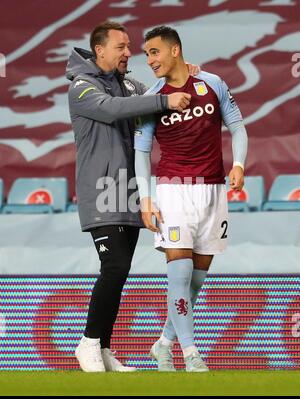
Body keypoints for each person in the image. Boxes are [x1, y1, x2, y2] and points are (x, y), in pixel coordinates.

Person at [66, 21, 194, 372]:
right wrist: (165, 98)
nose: (128, 53)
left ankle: (104, 348)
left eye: (129, 46)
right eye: (121, 47)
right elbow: (111, 108)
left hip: (132, 193)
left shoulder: (131, 85)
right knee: (115, 266)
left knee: (120, 272)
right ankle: (89, 343)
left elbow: (153, 92)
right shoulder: (81, 87)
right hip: (102, 192)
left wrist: (185, 75)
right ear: (100, 50)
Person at [134, 26, 248, 372]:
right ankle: (191, 354)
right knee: (179, 274)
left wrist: (239, 164)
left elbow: (237, 127)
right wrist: (146, 198)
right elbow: (141, 151)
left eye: (154, 52)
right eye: (146, 54)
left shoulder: (212, 83)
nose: (150, 60)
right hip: (172, 189)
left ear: (174, 50)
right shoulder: (153, 97)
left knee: (195, 281)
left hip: (213, 190)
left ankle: (163, 343)